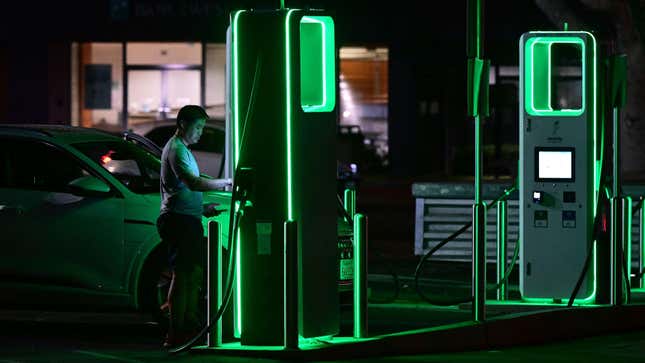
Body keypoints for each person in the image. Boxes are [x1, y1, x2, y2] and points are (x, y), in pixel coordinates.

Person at [156, 105, 229, 348]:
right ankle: (176, 332)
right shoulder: (176, 150)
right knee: (184, 275)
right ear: (183, 125)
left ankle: (185, 325)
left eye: (202, 128)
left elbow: (184, 189)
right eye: (197, 127)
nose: (200, 133)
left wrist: (201, 209)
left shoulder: (183, 149)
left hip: (186, 219)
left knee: (192, 274)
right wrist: (227, 183)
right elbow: (194, 183)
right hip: (179, 222)